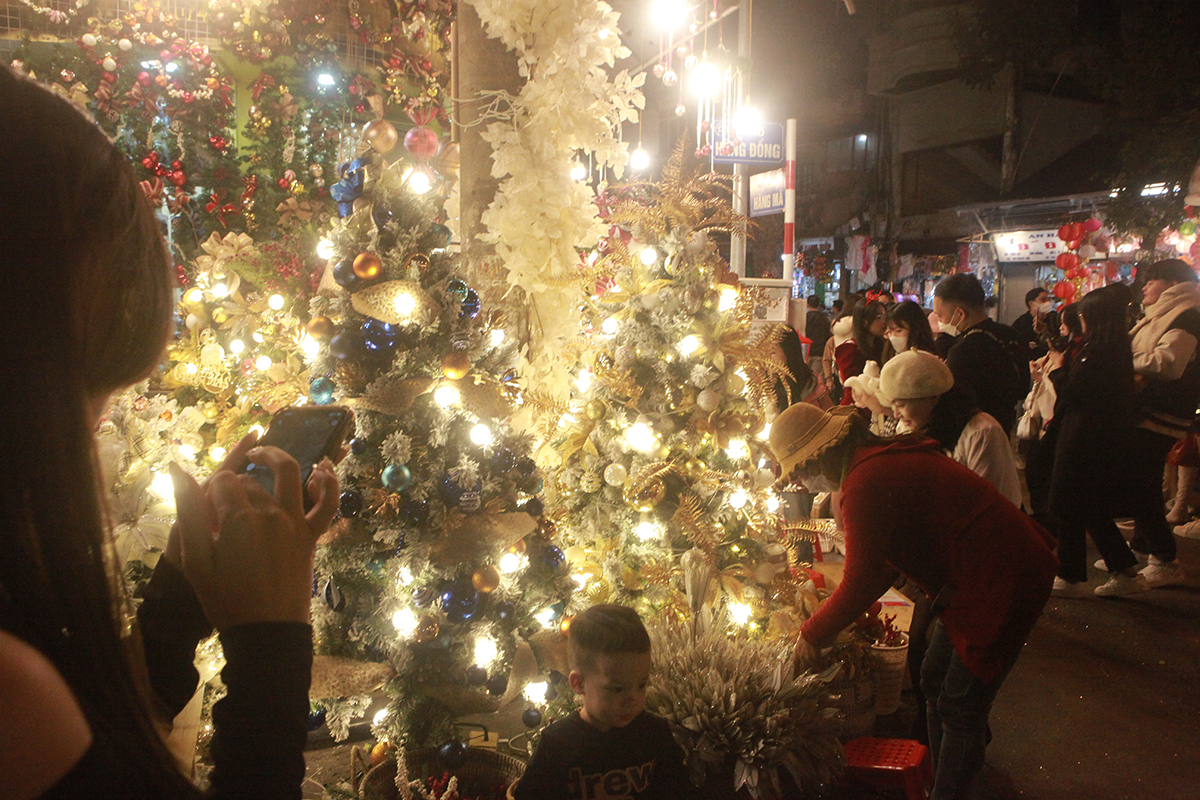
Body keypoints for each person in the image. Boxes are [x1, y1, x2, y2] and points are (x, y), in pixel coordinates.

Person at [0, 69, 341, 799]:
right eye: (89, 391)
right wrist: (271, 642)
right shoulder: (13, 694)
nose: (95, 426)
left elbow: (105, 724)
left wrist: (181, 592)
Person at [769, 403, 1056, 800]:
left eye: (800, 467)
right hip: (978, 573)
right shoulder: (870, 465)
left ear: (821, 452)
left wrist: (813, 633)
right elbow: (883, 564)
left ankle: (953, 787)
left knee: (959, 705)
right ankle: (954, 776)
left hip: (1001, 578)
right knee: (935, 677)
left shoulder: (865, 479)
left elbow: (863, 579)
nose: (801, 479)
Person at [512, 605, 689, 800]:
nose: (633, 699)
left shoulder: (655, 734)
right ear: (579, 684)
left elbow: (677, 790)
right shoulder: (558, 744)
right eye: (617, 689)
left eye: (641, 685)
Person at [1042, 286, 1145, 597]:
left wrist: (1058, 371)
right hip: (1094, 437)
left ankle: (1075, 575)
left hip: (1085, 439)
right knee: (1084, 506)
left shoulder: (1098, 352)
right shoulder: (1114, 348)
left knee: (1071, 502)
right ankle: (1110, 571)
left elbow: (1075, 395)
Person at [1124, 258, 1199, 586]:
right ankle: (1143, 548)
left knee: (1143, 484)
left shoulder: (1187, 315)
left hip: (1164, 412)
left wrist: (1123, 359)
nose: (1143, 288)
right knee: (1144, 481)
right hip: (1149, 409)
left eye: (1150, 281)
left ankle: (1165, 560)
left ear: (1171, 284)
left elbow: (1169, 364)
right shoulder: (1164, 314)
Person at [880, 351, 1022, 507]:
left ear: (933, 397)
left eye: (901, 405)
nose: (895, 414)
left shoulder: (982, 432)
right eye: (891, 405)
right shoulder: (908, 428)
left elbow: (993, 504)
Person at [933, 274, 1029, 434]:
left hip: (974, 437)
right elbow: (1023, 389)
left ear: (960, 314)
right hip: (1003, 430)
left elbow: (955, 409)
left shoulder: (962, 351)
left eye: (941, 316)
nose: (940, 322)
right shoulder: (1011, 334)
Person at [773, 326, 817, 413]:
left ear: (788, 351)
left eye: (773, 352)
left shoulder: (809, 384)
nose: (768, 357)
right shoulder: (766, 380)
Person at [1012, 287, 1060, 361]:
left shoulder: (1055, 318)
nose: (1048, 303)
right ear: (1031, 303)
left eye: (1048, 299)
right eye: (1043, 300)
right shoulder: (1021, 323)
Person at [805, 295, 832, 371]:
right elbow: (828, 335)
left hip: (805, 352)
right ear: (818, 304)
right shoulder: (824, 319)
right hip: (819, 352)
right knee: (817, 379)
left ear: (808, 304)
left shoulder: (803, 318)